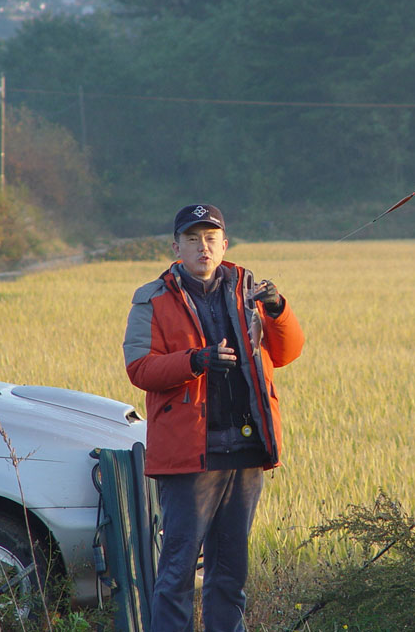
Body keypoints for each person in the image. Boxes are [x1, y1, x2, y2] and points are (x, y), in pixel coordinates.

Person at [122, 203, 304, 631]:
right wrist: (196, 360)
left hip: (246, 451)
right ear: (176, 247)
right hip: (189, 457)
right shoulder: (152, 298)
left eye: (210, 238)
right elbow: (140, 368)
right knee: (178, 572)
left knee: (230, 576)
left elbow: (287, 352)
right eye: (192, 239)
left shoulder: (250, 291)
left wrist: (277, 309)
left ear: (225, 244)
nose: (202, 247)